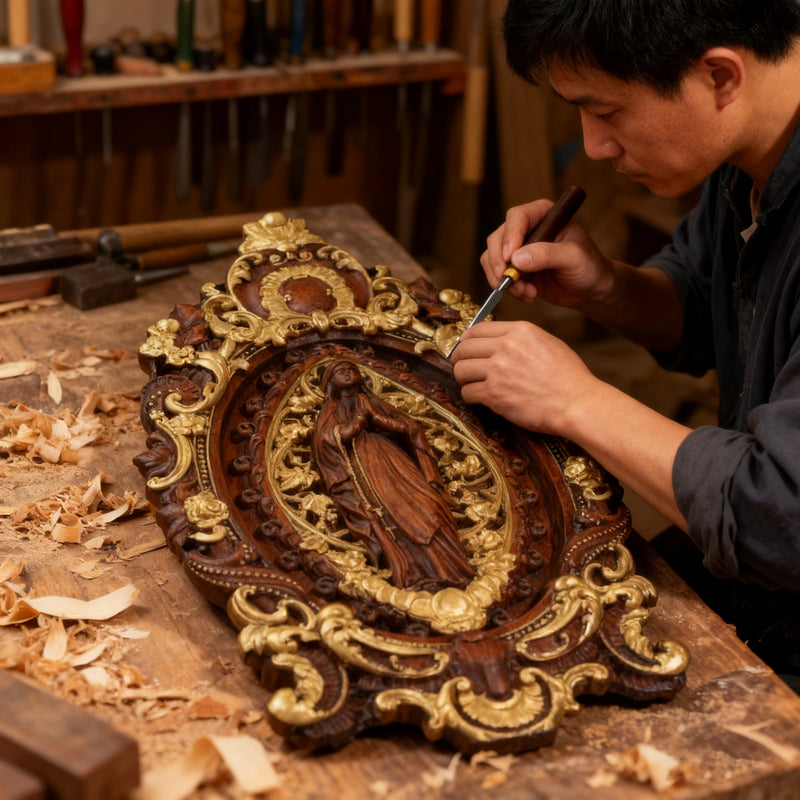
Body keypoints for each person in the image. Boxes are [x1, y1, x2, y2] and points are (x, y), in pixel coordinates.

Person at [451, 0, 800, 687]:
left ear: (721, 77)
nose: (595, 147)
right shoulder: (750, 155)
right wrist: (603, 286)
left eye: (608, 113)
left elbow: (779, 516)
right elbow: (707, 309)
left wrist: (573, 401)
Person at [312, 359, 475, 591]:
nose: (348, 373)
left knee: (428, 506)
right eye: (340, 372)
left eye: (352, 369)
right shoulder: (331, 412)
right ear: (330, 383)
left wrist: (377, 419)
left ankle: (456, 567)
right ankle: (417, 574)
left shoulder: (374, 402)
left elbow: (410, 429)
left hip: (395, 460)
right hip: (368, 471)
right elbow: (327, 442)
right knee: (395, 517)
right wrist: (358, 422)